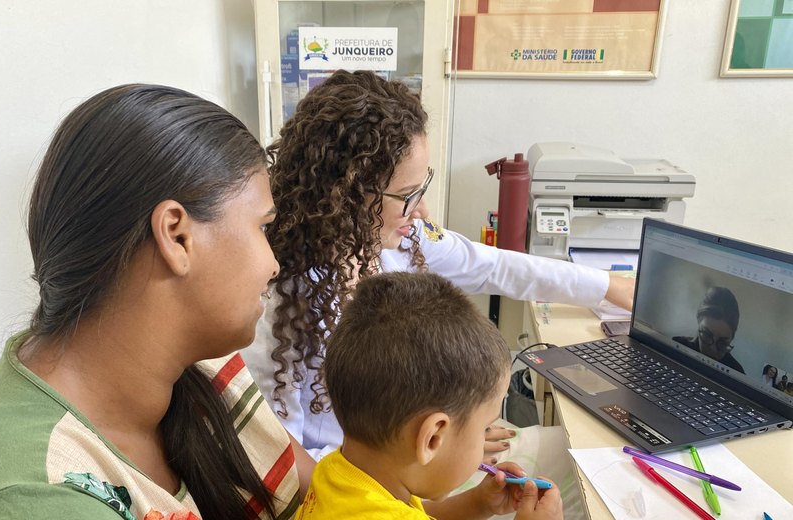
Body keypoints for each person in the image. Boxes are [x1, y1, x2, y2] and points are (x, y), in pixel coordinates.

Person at [240, 69, 635, 462]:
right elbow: (286, 462)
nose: (423, 211)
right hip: (373, 481)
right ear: (345, 193)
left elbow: (493, 266)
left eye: (422, 188)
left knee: (577, 453)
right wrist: (439, 452)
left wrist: (608, 287)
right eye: (408, 195)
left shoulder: (398, 241)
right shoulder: (276, 302)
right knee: (570, 464)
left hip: (425, 446)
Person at [0, 84, 303, 519]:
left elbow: (336, 497)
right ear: (176, 235)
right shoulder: (35, 496)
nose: (273, 265)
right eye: (262, 228)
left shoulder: (202, 373)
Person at [296, 272, 562, 520]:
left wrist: (478, 503)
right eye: (484, 428)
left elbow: (411, 511)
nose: (485, 438)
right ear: (433, 437)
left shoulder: (335, 472)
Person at [673, 286, 744, 373]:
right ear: (698, 322)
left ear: (732, 338)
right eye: (706, 335)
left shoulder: (737, 373)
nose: (712, 348)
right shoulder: (676, 346)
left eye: (722, 343)